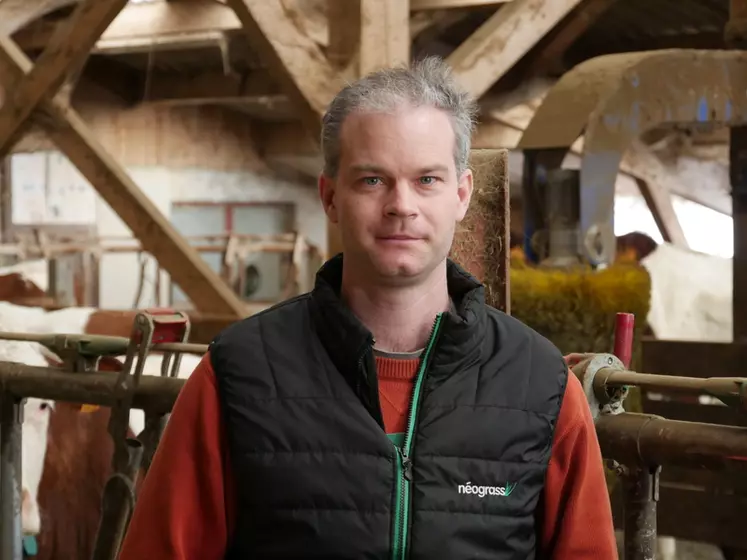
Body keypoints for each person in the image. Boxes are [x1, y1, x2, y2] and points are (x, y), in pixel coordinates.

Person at [118, 56, 617, 559]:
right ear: (330, 196)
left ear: (462, 194)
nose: (402, 204)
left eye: (427, 180)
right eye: (372, 180)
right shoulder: (238, 376)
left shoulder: (541, 386)